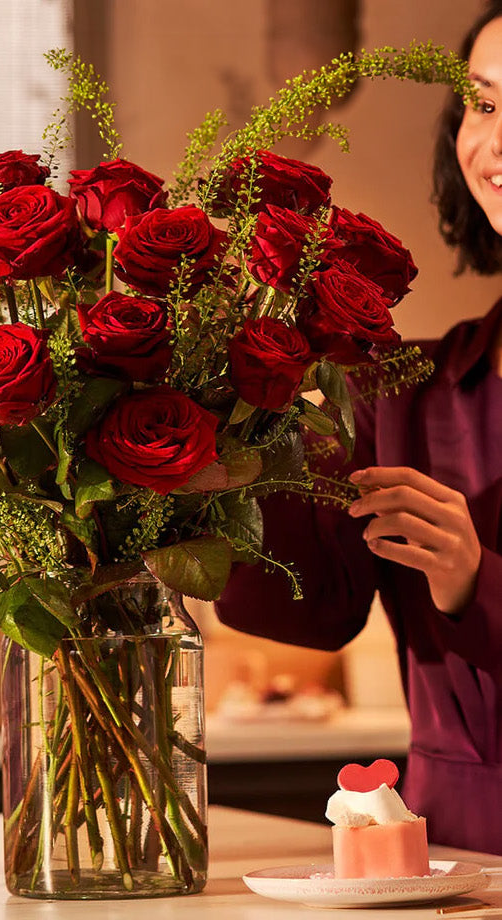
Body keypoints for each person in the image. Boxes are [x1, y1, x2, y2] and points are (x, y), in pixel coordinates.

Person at [215, 3, 502, 856]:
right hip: (443, 862)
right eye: (483, 105)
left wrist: (471, 582)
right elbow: (307, 613)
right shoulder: (402, 389)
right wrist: (229, 453)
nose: (494, 143)